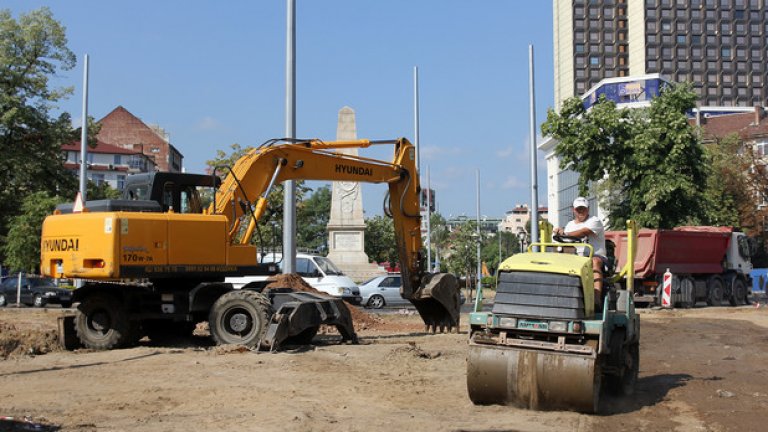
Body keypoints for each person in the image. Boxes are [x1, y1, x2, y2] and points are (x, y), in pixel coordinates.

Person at [553, 197, 607, 308]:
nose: (581, 211)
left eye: (583, 209)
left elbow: (584, 232)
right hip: (578, 258)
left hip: (595, 256)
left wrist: (565, 234)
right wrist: (559, 234)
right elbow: (567, 242)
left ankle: (596, 299)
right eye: (578, 209)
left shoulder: (594, 221)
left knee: (594, 261)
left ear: (588, 209)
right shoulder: (570, 225)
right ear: (574, 210)